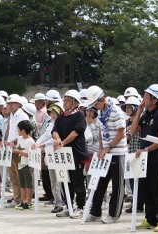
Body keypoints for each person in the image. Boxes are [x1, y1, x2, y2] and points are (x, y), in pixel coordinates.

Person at [85, 86, 127, 224]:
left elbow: (121, 133)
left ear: (102, 99)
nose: (94, 107)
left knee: (117, 186)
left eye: (95, 104)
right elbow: (101, 132)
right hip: (106, 153)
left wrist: (108, 147)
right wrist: (101, 149)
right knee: (99, 183)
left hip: (118, 153)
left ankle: (114, 214)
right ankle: (95, 212)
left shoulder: (116, 111)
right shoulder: (102, 113)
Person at [131, 84, 158, 232]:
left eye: (146, 96)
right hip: (144, 159)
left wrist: (146, 149)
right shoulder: (145, 114)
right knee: (146, 190)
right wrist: (139, 110)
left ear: (155, 100)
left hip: (156, 159)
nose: (143, 99)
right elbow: (133, 130)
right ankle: (150, 218)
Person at [53, 90, 88, 219]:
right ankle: (68, 204)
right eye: (64, 100)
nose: (65, 103)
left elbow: (76, 132)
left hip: (76, 153)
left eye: (68, 100)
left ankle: (80, 206)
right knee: (65, 181)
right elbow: (54, 130)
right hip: (63, 153)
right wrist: (57, 140)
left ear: (75, 102)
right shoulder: (62, 116)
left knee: (77, 181)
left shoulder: (79, 115)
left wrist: (63, 142)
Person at [35, 102, 64, 213]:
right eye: (51, 112)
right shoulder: (50, 124)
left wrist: (42, 145)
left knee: (61, 179)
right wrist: (37, 143)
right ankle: (58, 202)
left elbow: (55, 139)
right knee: (53, 180)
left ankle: (64, 201)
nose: (53, 114)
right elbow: (45, 136)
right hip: (50, 154)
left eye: (55, 112)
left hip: (59, 153)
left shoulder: (61, 124)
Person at [3, 94, 29, 208]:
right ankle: (16, 198)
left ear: (18, 104)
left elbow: (24, 133)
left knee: (20, 175)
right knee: (13, 175)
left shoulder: (22, 115)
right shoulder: (11, 115)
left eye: (12, 103)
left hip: (19, 147)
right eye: (9, 103)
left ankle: (24, 199)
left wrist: (11, 141)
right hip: (10, 147)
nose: (10, 105)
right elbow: (9, 129)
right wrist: (6, 140)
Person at [122, 96, 144, 214]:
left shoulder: (139, 120)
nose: (127, 109)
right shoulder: (126, 121)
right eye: (126, 107)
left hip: (138, 151)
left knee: (139, 180)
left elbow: (133, 131)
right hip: (129, 152)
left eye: (130, 107)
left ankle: (139, 204)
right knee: (131, 179)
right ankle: (135, 203)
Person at [12, 120, 35, 210]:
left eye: (18, 129)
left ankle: (28, 201)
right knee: (22, 183)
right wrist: (13, 146)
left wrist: (18, 151)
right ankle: (23, 200)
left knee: (28, 184)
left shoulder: (31, 141)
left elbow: (30, 154)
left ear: (23, 130)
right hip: (20, 164)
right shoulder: (20, 139)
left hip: (28, 165)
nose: (17, 131)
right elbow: (17, 147)